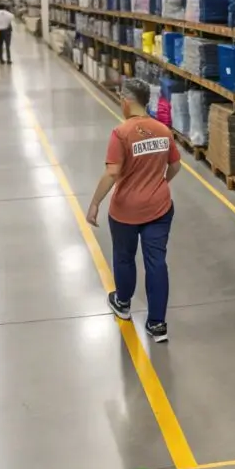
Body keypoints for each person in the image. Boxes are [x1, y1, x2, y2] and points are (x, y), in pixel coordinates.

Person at [86, 79, 181, 342]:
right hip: (160, 208)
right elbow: (175, 166)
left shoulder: (121, 132)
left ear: (127, 100)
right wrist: (157, 185)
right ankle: (157, 324)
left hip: (126, 211)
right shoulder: (163, 130)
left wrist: (95, 202)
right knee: (156, 262)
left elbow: (112, 172)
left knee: (125, 258)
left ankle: (123, 304)